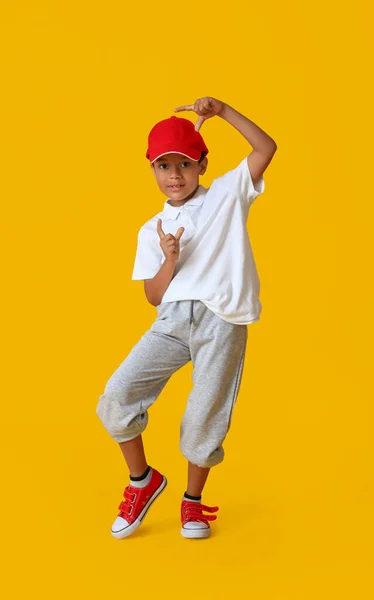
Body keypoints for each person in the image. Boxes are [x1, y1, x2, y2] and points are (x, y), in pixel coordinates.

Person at [96, 96, 277, 539]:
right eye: (163, 166)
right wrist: (169, 260)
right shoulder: (150, 230)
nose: (174, 175)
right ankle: (144, 482)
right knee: (117, 397)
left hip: (222, 320)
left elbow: (266, 148)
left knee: (204, 417)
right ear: (153, 170)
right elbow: (154, 297)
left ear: (201, 164)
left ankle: (192, 504)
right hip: (173, 322)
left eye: (184, 164)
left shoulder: (227, 196)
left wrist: (224, 112)